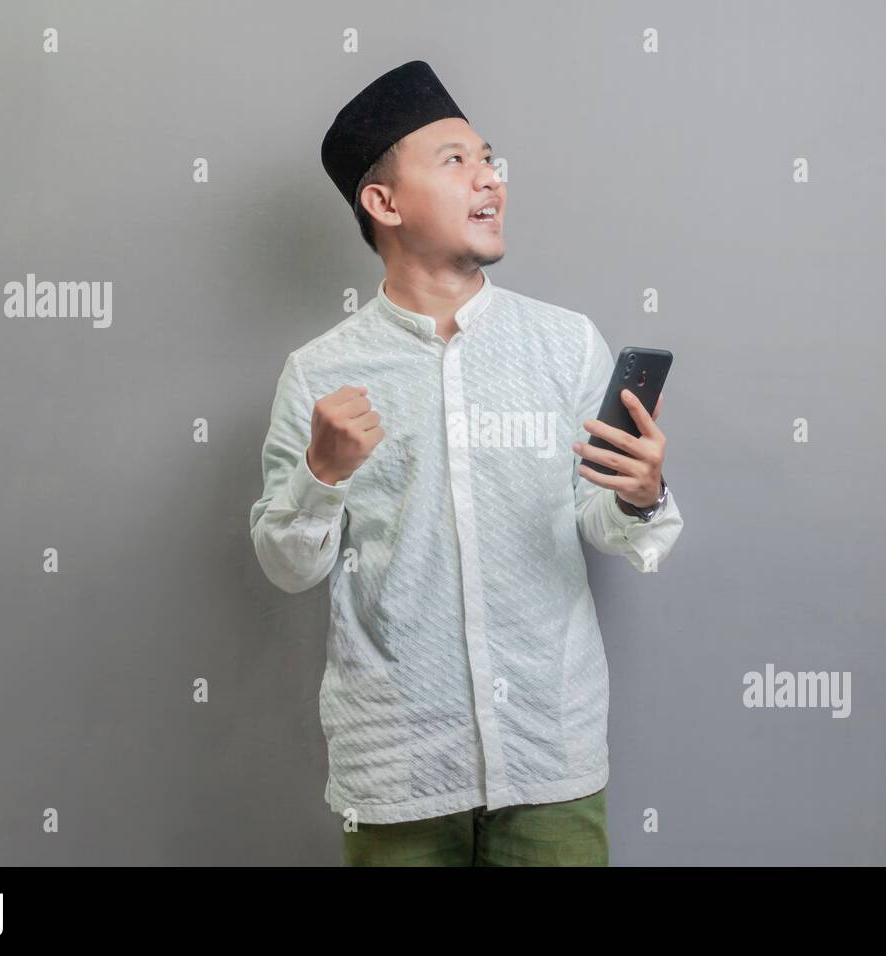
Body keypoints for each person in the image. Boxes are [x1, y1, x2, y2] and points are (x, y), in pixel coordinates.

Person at [250, 60, 684, 866]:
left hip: (550, 750)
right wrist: (323, 474)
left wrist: (640, 497)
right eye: (456, 161)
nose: (491, 179)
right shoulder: (319, 373)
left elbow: (609, 524)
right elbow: (286, 566)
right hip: (398, 764)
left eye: (489, 158)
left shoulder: (563, 344)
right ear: (383, 203)